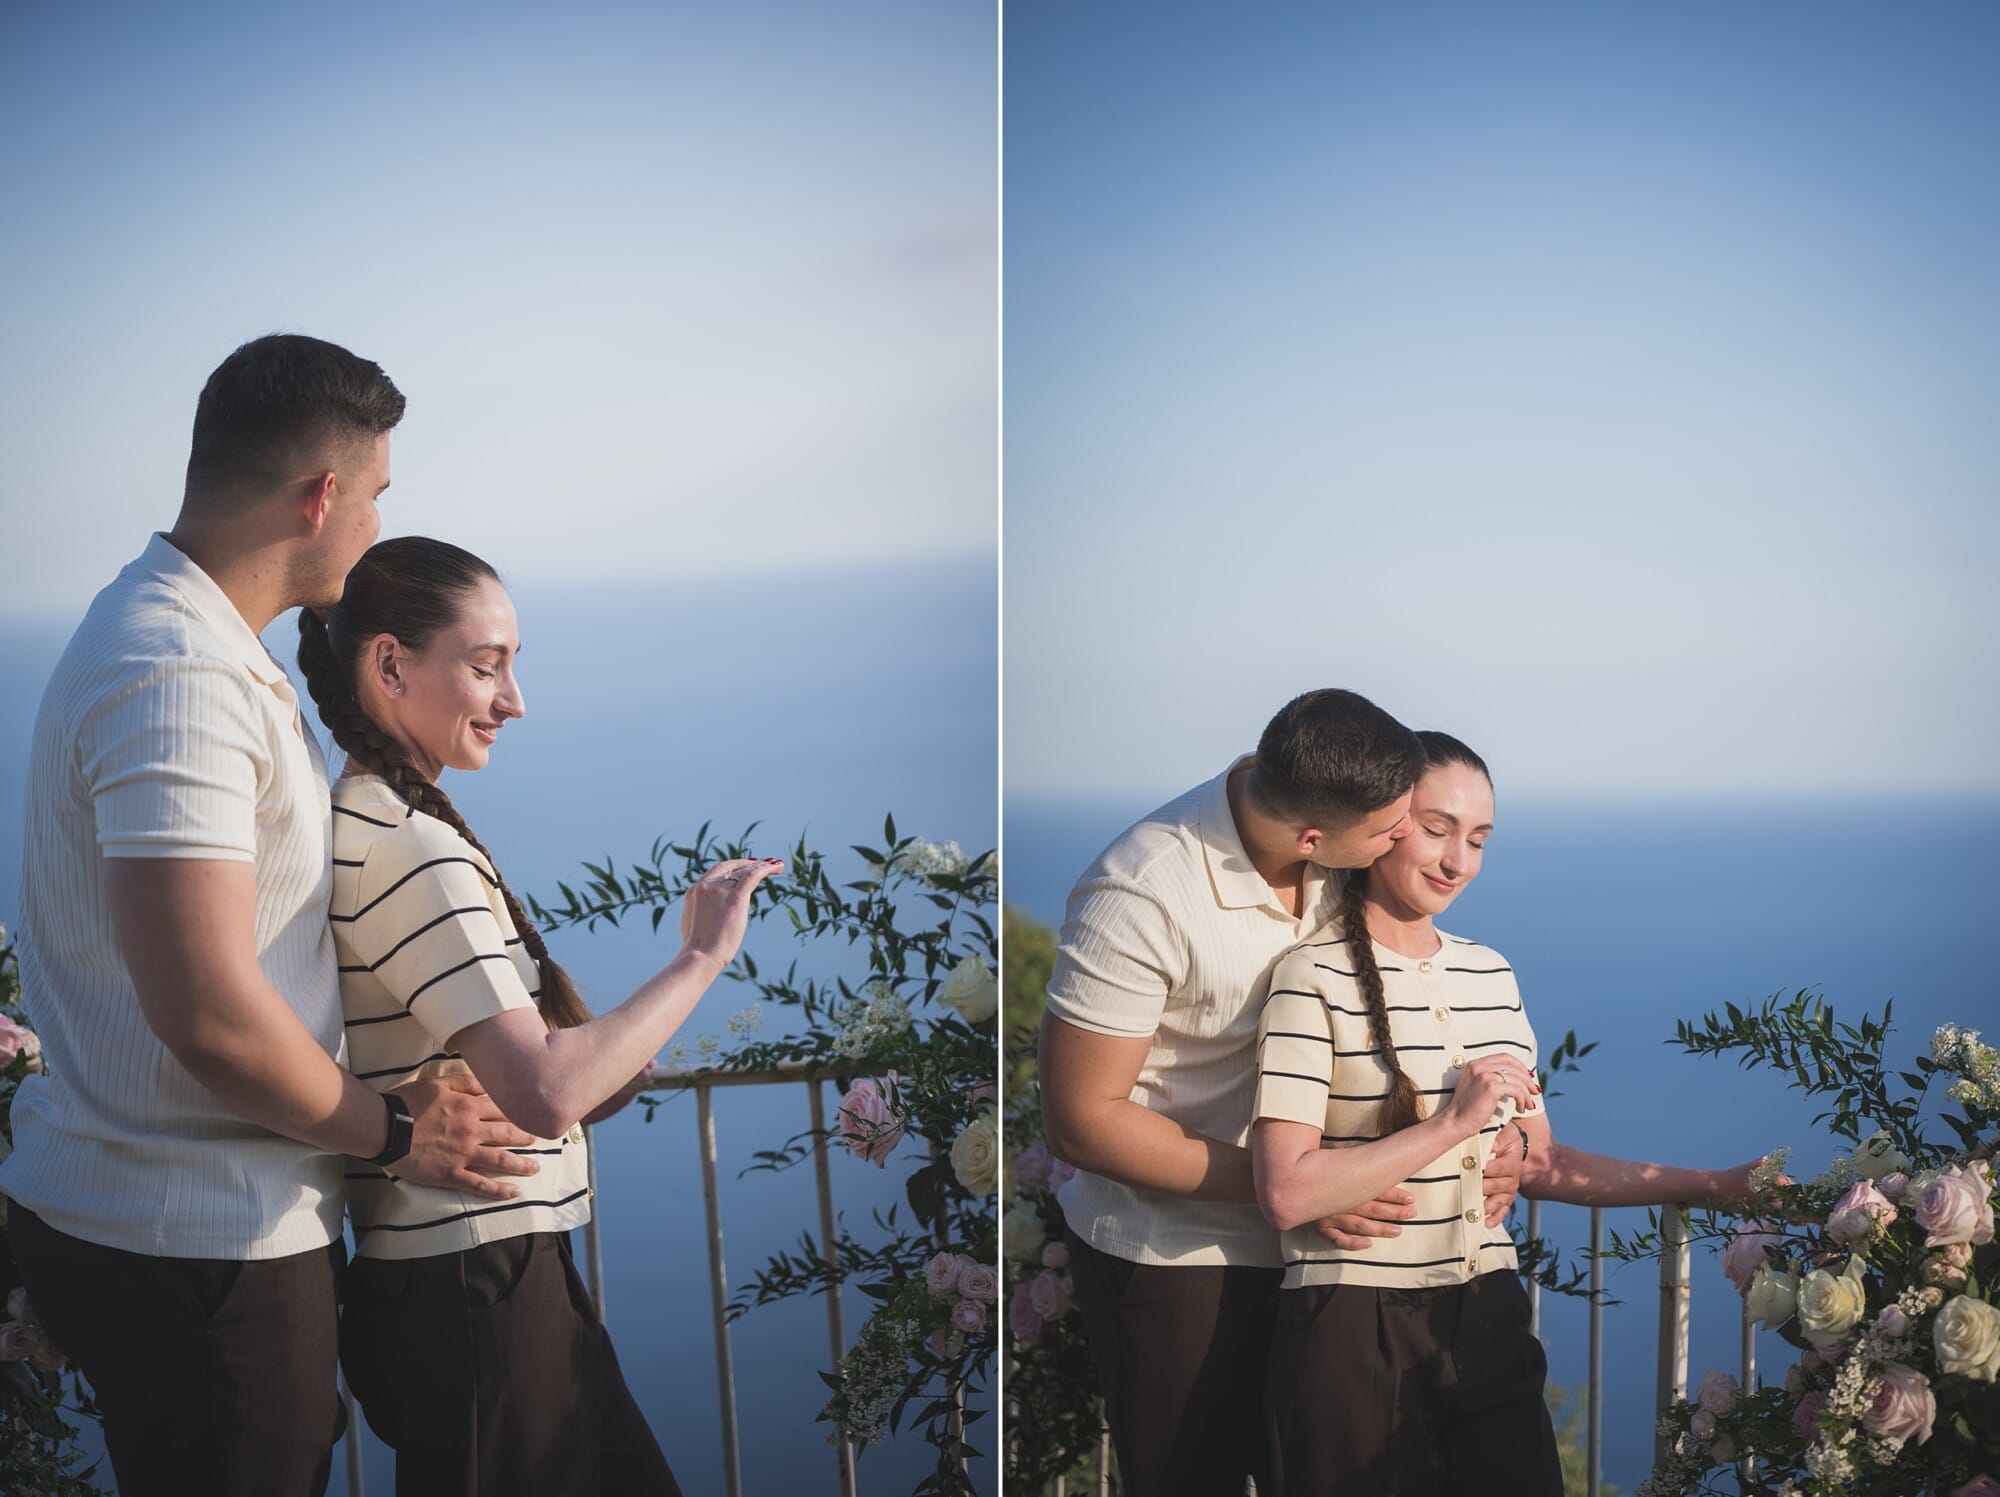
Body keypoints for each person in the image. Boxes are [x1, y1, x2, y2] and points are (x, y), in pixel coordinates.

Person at [0, 335, 545, 1497]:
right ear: (320, 495)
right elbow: (207, 1010)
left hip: (186, 1227)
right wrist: (397, 1133)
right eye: (378, 495)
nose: (379, 524)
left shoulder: (179, 640)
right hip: (197, 1240)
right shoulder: (176, 673)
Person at [294, 535, 776, 1496]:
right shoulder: (409, 850)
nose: (514, 701)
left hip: (490, 1281)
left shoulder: (390, 828)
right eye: (486, 667)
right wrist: (704, 953)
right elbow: (546, 1090)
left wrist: (599, 1053)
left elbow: (534, 1075)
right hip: (476, 1289)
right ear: (389, 664)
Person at [1037, 690, 1527, 1497]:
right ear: (1314, 837)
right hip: (1179, 1256)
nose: (1405, 842)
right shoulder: (1142, 893)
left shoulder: (1334, 836)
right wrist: (1290, 1190)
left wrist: (1503, 1144)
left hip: (1324, 1261)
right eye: (1390, 832)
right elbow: (1080, 1122)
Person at [1251, 732, 1767, 1496]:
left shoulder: (1491, 972)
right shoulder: (1308, 977)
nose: (1457, 860)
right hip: (1352, 1329)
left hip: (1490, 1314)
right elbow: (1286, 1191)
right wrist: (1452, 1125)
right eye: (1436, 829)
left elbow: (1541, 1162)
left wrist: (1717, 1181)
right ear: (1388, 822)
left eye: (1479, 839)